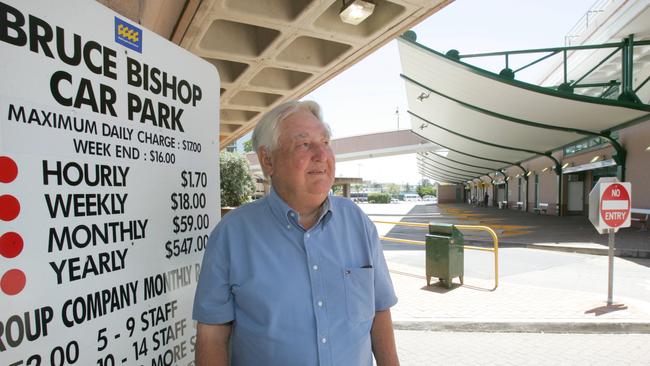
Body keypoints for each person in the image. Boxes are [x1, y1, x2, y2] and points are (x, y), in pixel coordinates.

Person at [193, 100, 399, 366]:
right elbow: (212, 336)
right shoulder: (231, 235)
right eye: (304, 144)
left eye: (325, 142)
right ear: (268, 160)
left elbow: (379, 311)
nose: (322, 155)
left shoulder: (357, 223)